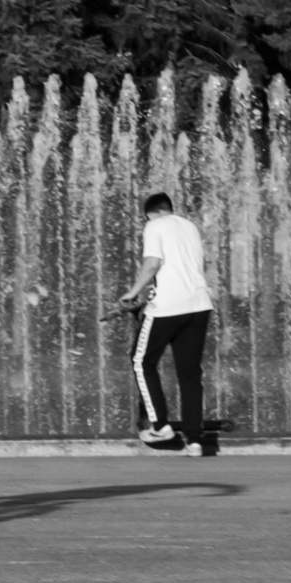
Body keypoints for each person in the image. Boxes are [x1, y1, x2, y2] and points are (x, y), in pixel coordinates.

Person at [116, 191, 215, 455]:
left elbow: (153, 263)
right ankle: (194, 440)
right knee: (190, 372)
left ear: (150, 212)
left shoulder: (154, 225)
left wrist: (134, 291)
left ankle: (160, 425)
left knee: (141, 361)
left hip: (168, 308)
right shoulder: (190, 226)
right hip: (200, 305)